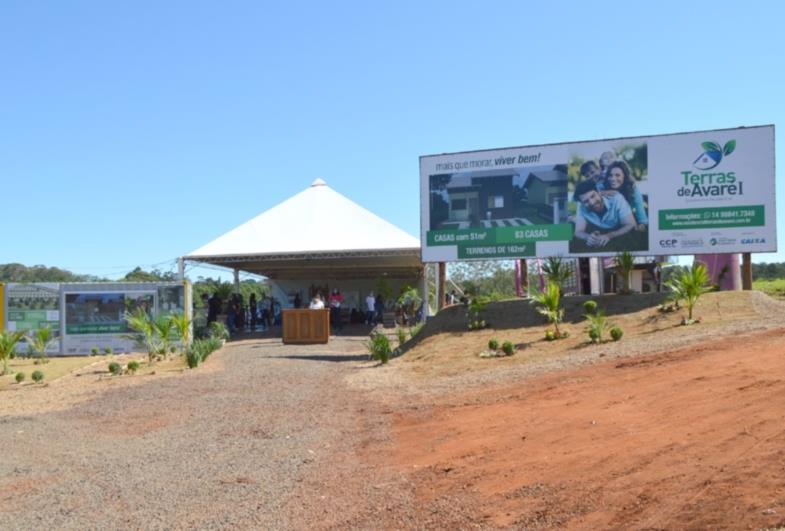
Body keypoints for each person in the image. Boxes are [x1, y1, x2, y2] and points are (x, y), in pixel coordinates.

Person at [572, 179, 635, 248]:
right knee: (571, 220)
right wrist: (589, 237)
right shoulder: (581, 206)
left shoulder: (616, 199)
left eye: (593, 196)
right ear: (581, 203)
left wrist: (609, 235)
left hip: (618, 225)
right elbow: (578, 232)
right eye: (586, 201)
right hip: (593, 225)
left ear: (599, 193)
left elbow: (630, 224)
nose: (592, 202)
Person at [604, 160, 648, 231]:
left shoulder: (633, 190)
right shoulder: (604, 187)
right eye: (610, 175)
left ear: (625, 177)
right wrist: (603, 193)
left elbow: (641, 216)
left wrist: (642, 224)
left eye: (617, 175)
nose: (613, 179)